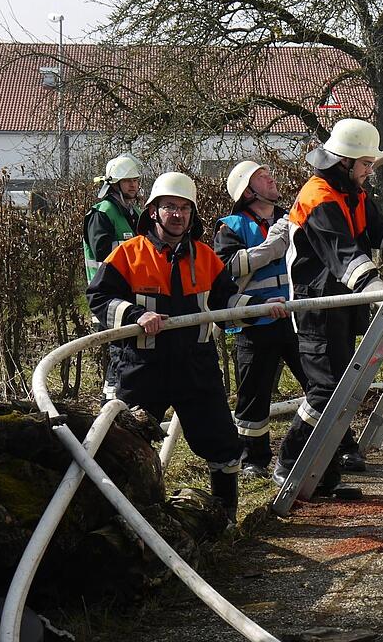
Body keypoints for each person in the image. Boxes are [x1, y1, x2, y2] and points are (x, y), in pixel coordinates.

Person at [86, 171, 287, 521]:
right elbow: (99, 298)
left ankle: (225, 520)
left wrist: (258, 309)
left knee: (223, 445)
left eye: (184, 208)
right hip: (141, 366)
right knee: (126, 443)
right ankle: (127, 519)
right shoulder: (128, 255)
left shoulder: (206, 258)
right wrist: (134, 314)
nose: (177, 215)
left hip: (196, 367)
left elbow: (226, 303)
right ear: (153, 211)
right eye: (169, 207)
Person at [273, 118, 383, 497]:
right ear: (344, 162)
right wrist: (374, 285)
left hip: (342, 304)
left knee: (341, 388)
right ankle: (289, 461)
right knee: (325, 391)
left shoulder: (351, 194)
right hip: (317, 307)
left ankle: (325, 473)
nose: (370, 171)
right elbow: (342, 253)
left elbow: (377, 230)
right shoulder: (318, 197)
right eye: (366, 164)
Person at [214, 160, 367, 478]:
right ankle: (254, 459)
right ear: (247, 191)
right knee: (253, 393)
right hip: (256, 322)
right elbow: (226, 269)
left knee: (322, 385)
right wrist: (271, 247)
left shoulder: (293, 216)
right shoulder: (231, 226)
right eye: (262, 178)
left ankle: (344, 447)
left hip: (298, 319)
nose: (271, 180)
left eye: (269, 175)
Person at [82, 152, 143, 400]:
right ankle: (111, 405)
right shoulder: (101, 213)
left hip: (132, 292)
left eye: (135, 180)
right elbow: (102, 252)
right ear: (114, 184)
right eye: (127, 181)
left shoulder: (135, 213)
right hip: (107, 294)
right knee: (119, 353)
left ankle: (120, 404)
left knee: (129, 352)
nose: (133, 185)